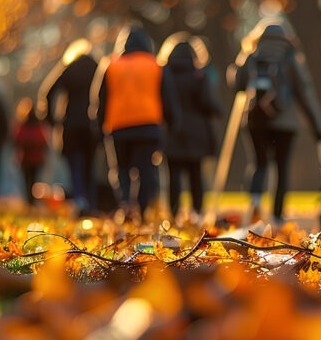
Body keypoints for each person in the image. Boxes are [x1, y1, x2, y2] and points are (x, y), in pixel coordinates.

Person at [230, 19, 321, 225]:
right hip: (286, 123)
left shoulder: (252, 55)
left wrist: (240, 63)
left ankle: (255, 207)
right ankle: (277, 215)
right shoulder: (290, 58)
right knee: (282, 168)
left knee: (258, 163)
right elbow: (305, 93)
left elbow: (238, 84)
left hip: (256, 120)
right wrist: (318, 128)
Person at [92, 26, 180, 220]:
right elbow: (168, 99)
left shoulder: (110, 65)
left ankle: (125, 205)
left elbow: (100, 99)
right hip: (148, 126)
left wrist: (99, 128)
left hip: (118, 126)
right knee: (145, 170)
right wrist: (172, 125)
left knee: (120, 170)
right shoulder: (156, 65)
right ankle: (142, 208)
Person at [159, 32, 222, 223]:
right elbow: (208, 103)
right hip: (197, 132)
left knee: (174, 177)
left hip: (172, 131)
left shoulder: (164, 75)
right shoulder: (199, 75)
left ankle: (174, 214)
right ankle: (197, 213)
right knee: (196, 176)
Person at [37, 39, 100, 213]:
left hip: (71, 125)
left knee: (76, 165)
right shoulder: (98, 68)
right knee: (90, 165)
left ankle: (80, 201)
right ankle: (91, 204)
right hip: (92, 125)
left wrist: (50, 119)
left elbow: (47, 92)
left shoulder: (69, 67)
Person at [13, 99, 48, 205]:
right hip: (37, 159)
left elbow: (17, 139)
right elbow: (43, 142)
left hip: (26, 159)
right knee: (34, 180)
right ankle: (32, 200)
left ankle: (29, 200)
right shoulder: (39, 125)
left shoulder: (23, 124)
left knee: (27, 181)